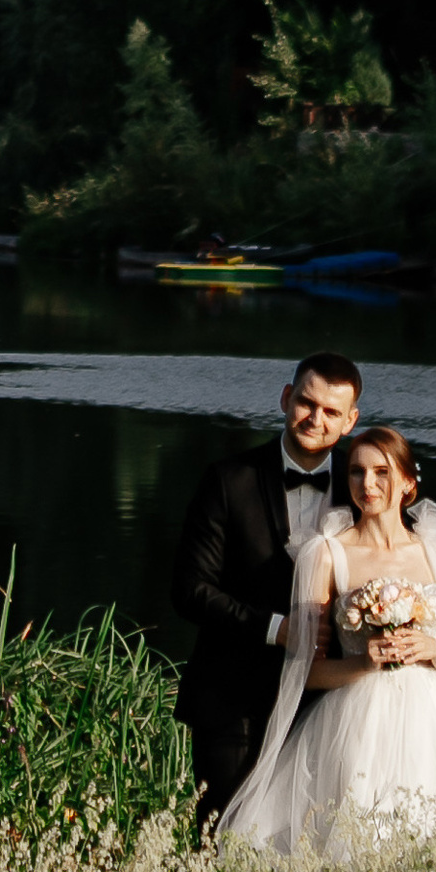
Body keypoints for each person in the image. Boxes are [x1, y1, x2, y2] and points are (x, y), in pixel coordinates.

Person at [217, 421, 436, 858]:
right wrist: (365, 662)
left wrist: (434, 650)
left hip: (434, 725)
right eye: (357, 472)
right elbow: (307, 672)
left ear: (407, 484)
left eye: (382, 472)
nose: (367, 484)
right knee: (355, 846)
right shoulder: (327, 553)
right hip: (355, 721)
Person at [170, 353, 368, 828]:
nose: (315, 419)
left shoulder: (366, 485)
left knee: (313, 841)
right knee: (221, 836)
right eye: (306, 402)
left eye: (331, 412)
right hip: (231, 695)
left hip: (328, 703)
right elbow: (189, 589)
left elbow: (406, 566)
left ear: (350, 421)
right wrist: (277, 629)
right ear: (286, 398)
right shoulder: (227, 479)